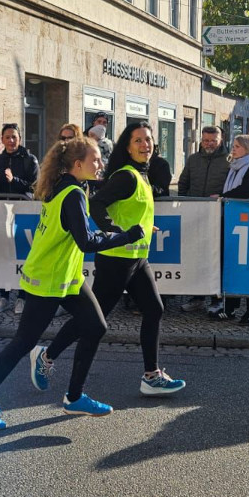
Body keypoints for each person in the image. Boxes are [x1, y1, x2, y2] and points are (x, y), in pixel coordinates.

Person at [0, 137, 146, 430]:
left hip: (67, 277)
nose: (101, 163)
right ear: (78, 164)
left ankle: (74, 397)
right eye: (96, 159)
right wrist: (126, 236)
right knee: (23, 342)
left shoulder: (68, 185)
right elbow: (86, 242)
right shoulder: (73, 193)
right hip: (47, 278)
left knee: (96, 326)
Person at [42, 121, 186, 396]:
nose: (145, 145)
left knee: (154, 309)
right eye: (138, 141)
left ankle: (151, 376)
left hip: (136, 258)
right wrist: (117, 232)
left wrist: (144, 227)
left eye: (148, 139)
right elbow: (97, 203)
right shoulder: (127, 176)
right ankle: (47, 356)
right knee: (93, 321)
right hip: (115, 259)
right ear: (127, 147)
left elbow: (131, 211)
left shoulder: (142, 174)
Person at [0, 122, 40, 314]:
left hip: (23, 214)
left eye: (14, 137)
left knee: (24, 256)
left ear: (20, 139)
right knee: (4, 255)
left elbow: (36, 187)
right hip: (2, 213)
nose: (10, 140)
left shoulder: (30, 160)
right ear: (2, 139)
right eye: (7, 137)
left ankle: (22, 297)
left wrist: (13, 180)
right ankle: (4, 296)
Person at [210, 134, 249, 325]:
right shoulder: (234, 166)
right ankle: (230, 307)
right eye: (233, 146)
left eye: (237, 146)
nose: (233, 149)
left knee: (248, 266)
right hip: (232, 221)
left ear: (248, 149)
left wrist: (223, 196)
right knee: (232, 265)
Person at [177, 125, 228, 312]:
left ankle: (217, 299)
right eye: (206, 140)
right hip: (195, 215)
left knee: (217, 258)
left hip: (219, 216)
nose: (209, 144)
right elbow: (183, 183)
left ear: (220, 140)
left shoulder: (229, 160)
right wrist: (184, 204)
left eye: (213, 141)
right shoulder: (193, 159)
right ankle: (197, 296)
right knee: (196, 257)